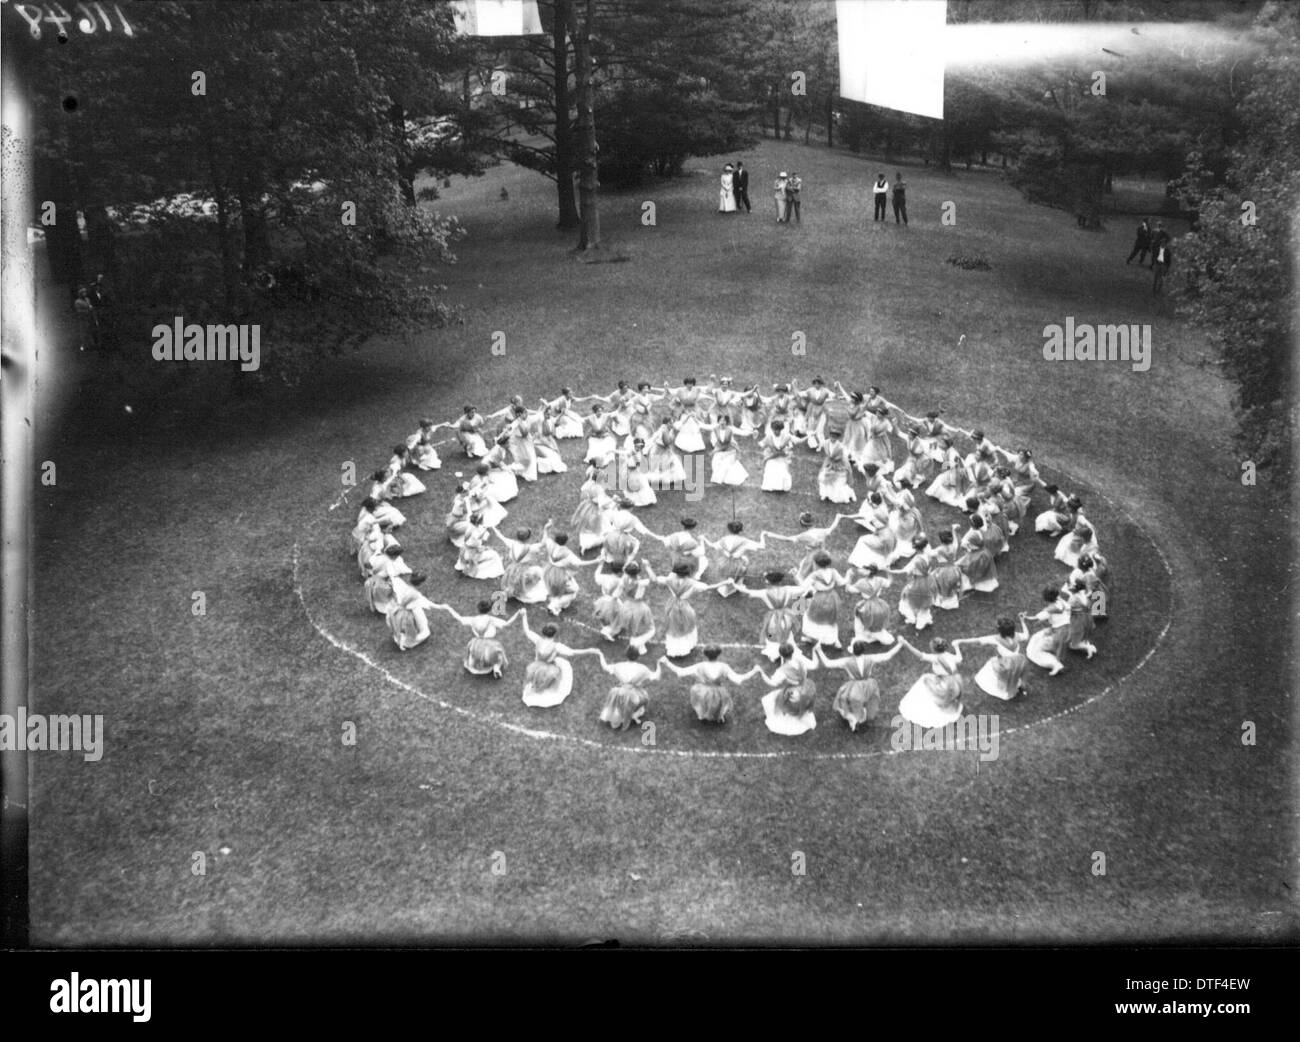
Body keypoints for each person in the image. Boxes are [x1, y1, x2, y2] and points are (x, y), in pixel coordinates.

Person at [816, 641, 905, 732]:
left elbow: (828, 663)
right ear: (863, 650)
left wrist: (819, 650)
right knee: (867, 701)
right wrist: (900, 644)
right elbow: (888, 655)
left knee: (845, 701)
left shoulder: (846, 661)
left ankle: (854, 719)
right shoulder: (870, 659)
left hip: (854, 688)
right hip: (868, 686)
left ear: (853, 651)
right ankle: (863, 714)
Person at [519, 615, 600, 708]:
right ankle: (542, 686)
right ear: (554, 634)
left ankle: (534, 684)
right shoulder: (556, 646)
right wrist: (589, 650)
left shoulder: (537, 640)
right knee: (556, 673)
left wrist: (524, 616)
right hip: (548, 667)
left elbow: (527, 631)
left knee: (533, 672)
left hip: (536, 664)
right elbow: (572, 652)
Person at [663, 646, 760, 723]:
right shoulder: (723, 667)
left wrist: (667, 663)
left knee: (702, 703)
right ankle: (718, 717)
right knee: (718, 704)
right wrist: (754, 671)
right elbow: (739, 678)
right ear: (718, 654)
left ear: (705, 655)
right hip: (718, 692)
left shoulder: (700, 666)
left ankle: (702, 716)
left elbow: (681, 671)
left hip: (703, 691)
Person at [430, 600, 522, 679]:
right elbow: (507, 624)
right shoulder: (492, 619)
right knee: (498, 655)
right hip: (490, 646)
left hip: (476, 645)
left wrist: (449, 608)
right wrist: (518, 613)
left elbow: (460, 618)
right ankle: (496, 668)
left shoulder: (473, 619)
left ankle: (476, 664)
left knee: (472, 654)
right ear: (489, 609)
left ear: (478, 609)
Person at [897, 637, 965, 728]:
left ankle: (938, 713)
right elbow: (959, 659)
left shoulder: (936, 658)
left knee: (924, 684)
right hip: (954, 682)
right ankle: (951, 711)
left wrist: (906, 644)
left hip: (943, 684)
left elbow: (920, 655)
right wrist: (956, 647)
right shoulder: (950, 656)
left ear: (933, 649)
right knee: (950, 698)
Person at [960, 615, 1030, 701]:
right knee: (1015, 674)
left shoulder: (996, 639)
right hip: (1018, 661)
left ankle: (1005, 689)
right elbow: (1026, 635)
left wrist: (961, 641)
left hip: (1004, 664)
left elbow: (978, 640)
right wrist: (1023, 621)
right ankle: (1019, 687)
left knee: (996, 673)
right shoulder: (1017, 636)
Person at [595, 647, 663, 731]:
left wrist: (600, 655)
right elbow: (656, 676)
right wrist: (659, 664)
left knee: (619, 704)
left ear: (626, 654)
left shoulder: (618, 666)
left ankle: (619, 718)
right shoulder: (643, 669)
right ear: (638, 656)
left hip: (619, 692)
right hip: (633, 694)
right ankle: (631, 715)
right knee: (644, 699)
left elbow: (605, 667)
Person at [758, 643, 818, 736]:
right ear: (793, 651)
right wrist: (814, 651)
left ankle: (792, 715)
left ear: (781, 655)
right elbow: (814, 665)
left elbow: (772, 683)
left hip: (793, 692)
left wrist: (761, 672)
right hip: (806, 688)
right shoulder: (801, 660)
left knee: (775, 699)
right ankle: (801, 712)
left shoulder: (782, 671)